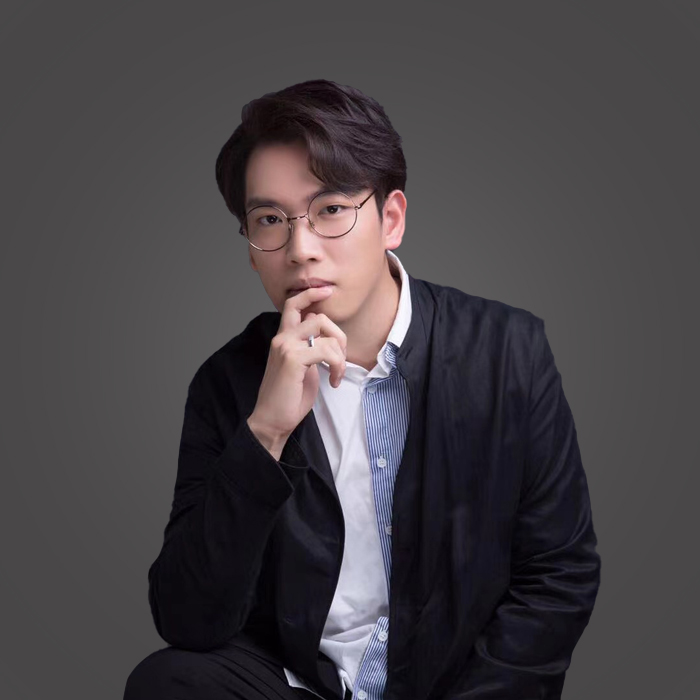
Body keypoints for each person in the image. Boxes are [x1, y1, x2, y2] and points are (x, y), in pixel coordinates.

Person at [124, 79, 601, 700]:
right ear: (250, 249)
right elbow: (189, 618)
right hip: (304, 683)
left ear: (390, 219)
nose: (300, 250)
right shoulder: (228, 382)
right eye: (269, 220)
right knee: (166, 682)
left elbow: (558, 576)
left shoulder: (509, 351)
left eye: (330, 210)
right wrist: (265, 434)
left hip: (454, 687)